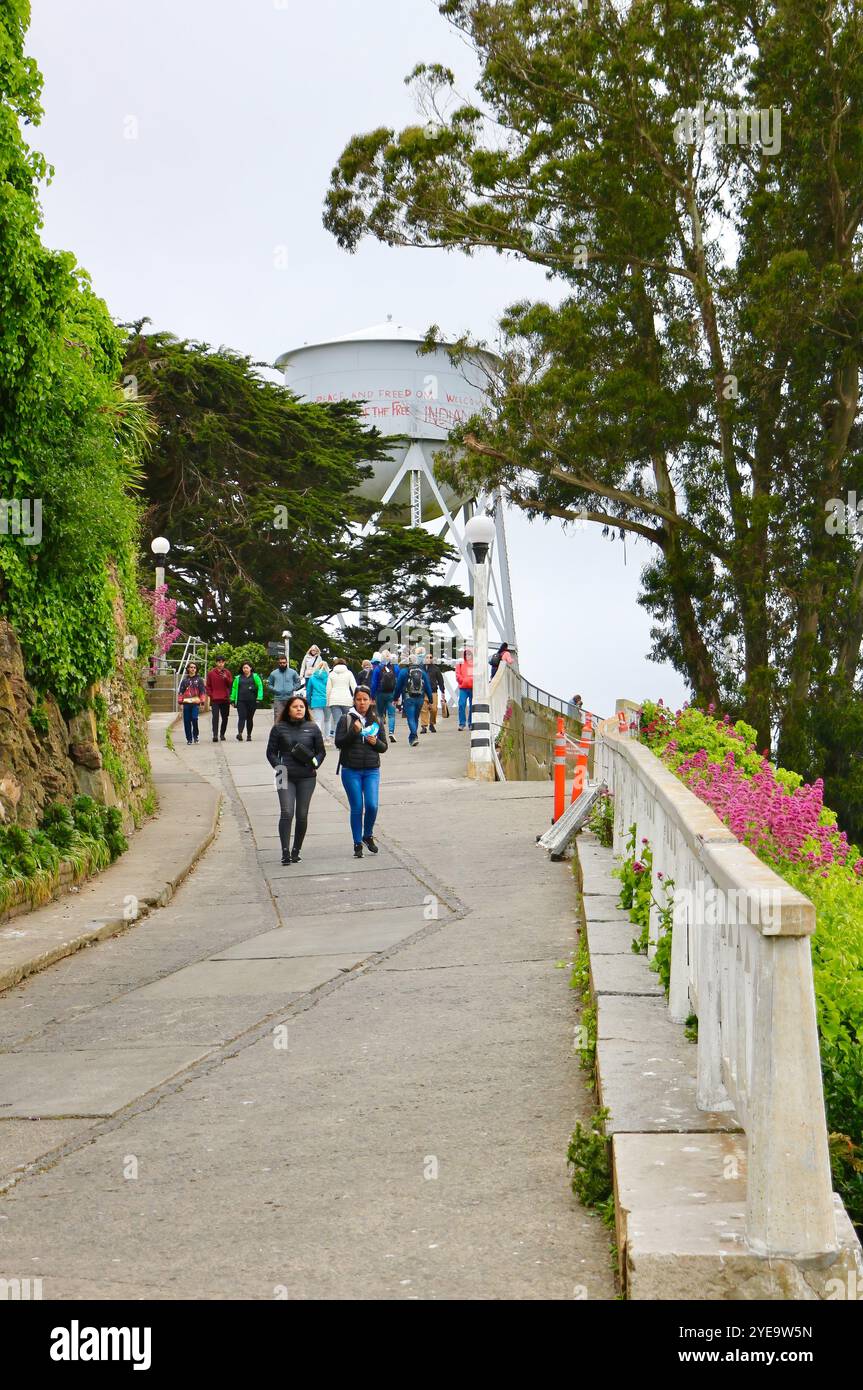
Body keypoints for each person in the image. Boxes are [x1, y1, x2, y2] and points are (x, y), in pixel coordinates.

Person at [266, 694, 326, 865]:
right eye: (295, 706)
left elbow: (321, 751)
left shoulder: (313, 728)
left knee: (302, 814)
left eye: (302, 706)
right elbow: (270, 752)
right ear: (288, 710)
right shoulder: (278, 728)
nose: (299, 709)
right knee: (286, 812)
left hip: (307, 777)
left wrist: (316, 763)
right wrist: (279, 766)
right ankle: (285, 851)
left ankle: (296, 850)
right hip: (283, 775)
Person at [334, 685, 388, 857]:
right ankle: (357, 843)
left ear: (371, 701)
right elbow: (339, 743)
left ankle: (368, 834)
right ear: (354, 701)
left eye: (365, 699)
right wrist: (353, 732)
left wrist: (375, 742)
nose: (362, 703)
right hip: (351, 770)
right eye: (359, 699)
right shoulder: (346, 719)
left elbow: (384, 747)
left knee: (372, 805)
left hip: (371, 770)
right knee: (357, 806)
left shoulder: (377, 720)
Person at [394, 655, 433, 747]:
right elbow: (427, 686)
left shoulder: (403, 672)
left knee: (410, 718)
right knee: (415, 718)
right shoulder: (422, 672)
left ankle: (414, 736)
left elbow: (398, 686)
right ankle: (413, 737)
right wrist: (430, 699)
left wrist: (395, 698)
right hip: (420, 698)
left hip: (408, 698)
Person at [370, 651, 400, 741]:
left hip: (380, 694)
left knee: (379, 714)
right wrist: (397, 696)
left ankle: (379, 733)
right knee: (391, 715)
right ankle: (391, 732)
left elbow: (374, 683)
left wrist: (372, 696)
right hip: (391, 694)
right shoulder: (395, 667)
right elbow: (398, 682)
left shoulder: (378, 668)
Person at [231, 661, 264, 741]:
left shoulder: (255, 676)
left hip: (252, 701)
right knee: (241, 717)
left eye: (247, 668)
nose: (245, 669)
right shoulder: (238, 678)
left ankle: (249, 735)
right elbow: (234, 688)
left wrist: (259, 697)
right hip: (241, 701)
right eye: (244, 668)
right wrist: (232, 699)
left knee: (249, 718)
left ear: (250, 668)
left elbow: (260, 686)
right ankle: (240, 733)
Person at [326, 657, 356, 740]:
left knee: (337, 721)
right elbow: (354, 687)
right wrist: (355, 698)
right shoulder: (349, 673)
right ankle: (348, 739)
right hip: (347, 699)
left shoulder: (331, 674)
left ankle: (338, 741)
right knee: (348, 721)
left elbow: (328, 689)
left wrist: (328, 702)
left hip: (334, 700)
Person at [178, 662, 206, 745]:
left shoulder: (199, 680)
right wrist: (180, 703)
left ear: (196, 669)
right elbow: (181, 692)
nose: (193, 669)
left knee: (194, 719)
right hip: (186, 703)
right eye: (191, 667)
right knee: (186, 721)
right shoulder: (184, 681)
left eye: (194, 667)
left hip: (195, 703)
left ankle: (195, 736)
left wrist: (202, 702)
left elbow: (202, 692)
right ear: (188, 669)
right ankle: (189, 739)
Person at [205, 656, 232, 742]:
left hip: (225, 699)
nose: (221, 664)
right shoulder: (211, 673)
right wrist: (211, 695)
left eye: (222, 662)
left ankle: (222, 734)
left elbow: (231, 684)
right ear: (216, 663)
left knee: (225, 717)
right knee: (215, 717)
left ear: (224, 663)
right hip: (215, 699)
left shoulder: (227, 672)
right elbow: (208, 686)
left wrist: (226, 678)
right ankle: (215, 735)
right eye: (219, 662)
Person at [268, 654, 302, 723]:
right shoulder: (273, 673)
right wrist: (274, 690)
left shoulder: (293, 672)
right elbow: (269, 684)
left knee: (291, 716)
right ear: (278, 663)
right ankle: (277, 733)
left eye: (284, 663)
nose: (282, 664)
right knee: (278, 717)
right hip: (278, 699)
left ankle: (290, 732)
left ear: (286, 663)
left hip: (290, 698)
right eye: (280, 663)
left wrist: (293, 688)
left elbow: (298, 682)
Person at [420, 654, 446, 734]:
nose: (429, 659)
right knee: (424, 709)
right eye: (427, 657)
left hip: (433, 691)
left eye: (430, 657)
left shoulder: (436, 669)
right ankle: (424, 726)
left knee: (434, 709)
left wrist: (443, 692)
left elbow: (441, 681)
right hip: (423, 692)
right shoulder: (420, 668)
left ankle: (431, 724)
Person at [305, 661, 330, 735]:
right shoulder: (329, 677)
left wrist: (309, 702)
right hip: (327, 701)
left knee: (318, 720)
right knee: (327, 720)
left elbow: (308, 691)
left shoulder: (312, 677)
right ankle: (327, 739)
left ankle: (319, 738)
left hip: (316, 701)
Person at [455, 646, 474, 730]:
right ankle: (462, 724)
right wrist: (462, 681)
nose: (468, 655)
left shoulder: (475, 664)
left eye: (469, 654)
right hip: (463, 688)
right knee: (461, 705)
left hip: (473, 688)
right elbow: (457, 674)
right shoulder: (460, 663)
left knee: (472, 706)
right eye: (466, 654)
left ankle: (470, 723)